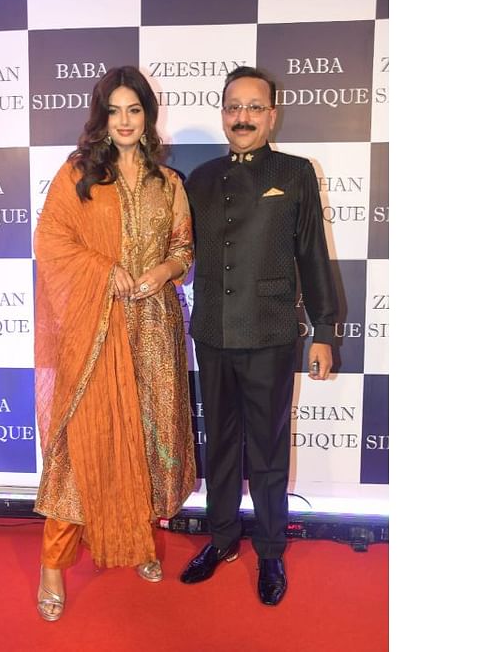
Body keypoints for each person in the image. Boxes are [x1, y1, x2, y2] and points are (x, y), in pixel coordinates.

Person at [31, 65, 196, 622]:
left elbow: (183, 247)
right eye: (115, 111)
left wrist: (166, 269)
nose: (125, 121)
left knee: (148, 440)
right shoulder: (79, 174)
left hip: (154, 331)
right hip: (95, 335)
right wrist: (105, 269)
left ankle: (140, 542)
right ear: (102, 117)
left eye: (135, 110)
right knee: (83, 450)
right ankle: (52, 565)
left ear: (148, 116)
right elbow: (50, 241)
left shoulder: (167, 183)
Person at [178, 66, 338, 606]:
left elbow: (313, 254)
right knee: (219, 444)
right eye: (232, 107)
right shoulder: (197, 178)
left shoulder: (294, 173)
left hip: (270, 331)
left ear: (272, 114)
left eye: (253, 107)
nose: (241, 117)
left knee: (267, 449)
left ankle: (270, 549)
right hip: (213, 332)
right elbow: (179, 252)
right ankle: (221, 538)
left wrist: (324, 329)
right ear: (222, 113)